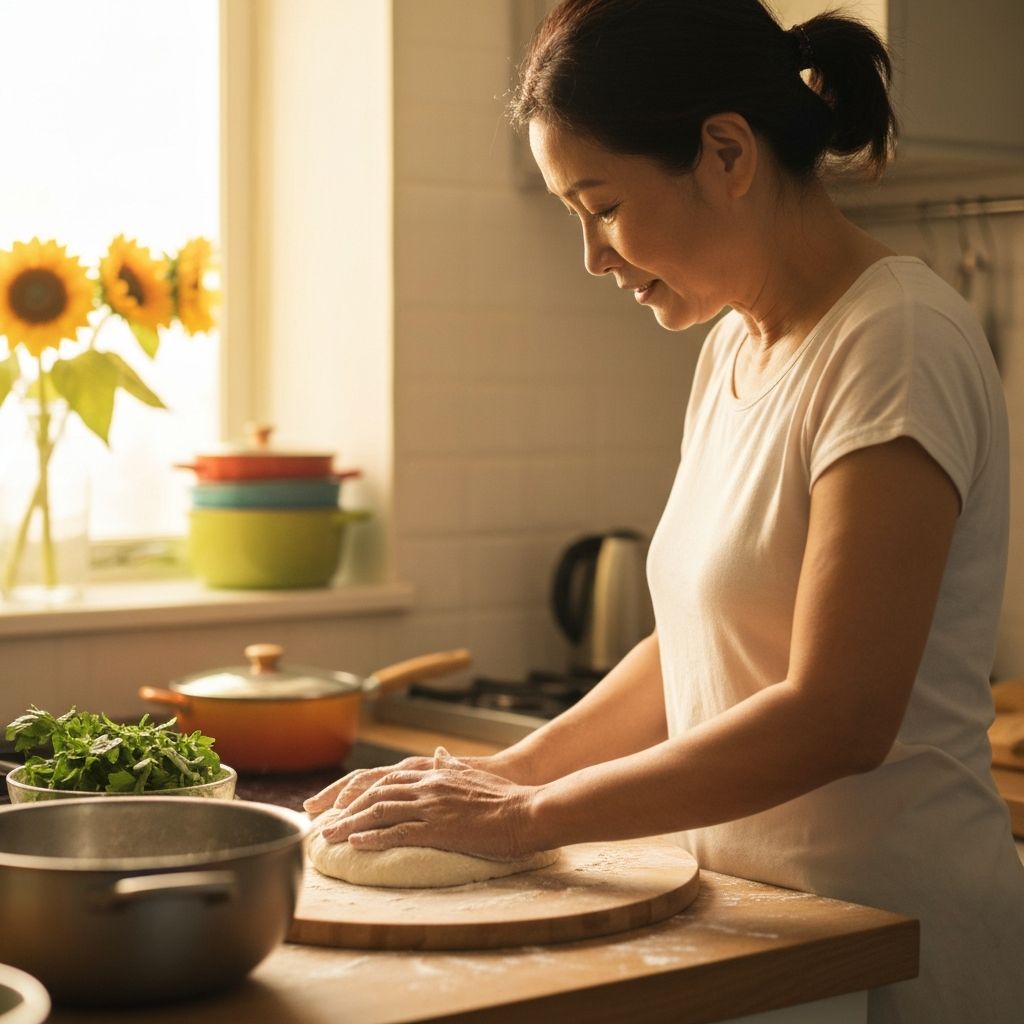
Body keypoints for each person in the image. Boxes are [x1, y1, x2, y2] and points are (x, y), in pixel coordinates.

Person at [305, 2, 1024, 1020]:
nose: (593, 256)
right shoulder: (734, 346)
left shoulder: (893, 342)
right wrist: (503, 777)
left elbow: (838, 714)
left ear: (725, 150)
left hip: (897, 947)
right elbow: (690, 651)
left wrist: (526, 819)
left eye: (598, 205)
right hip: (771, 932)